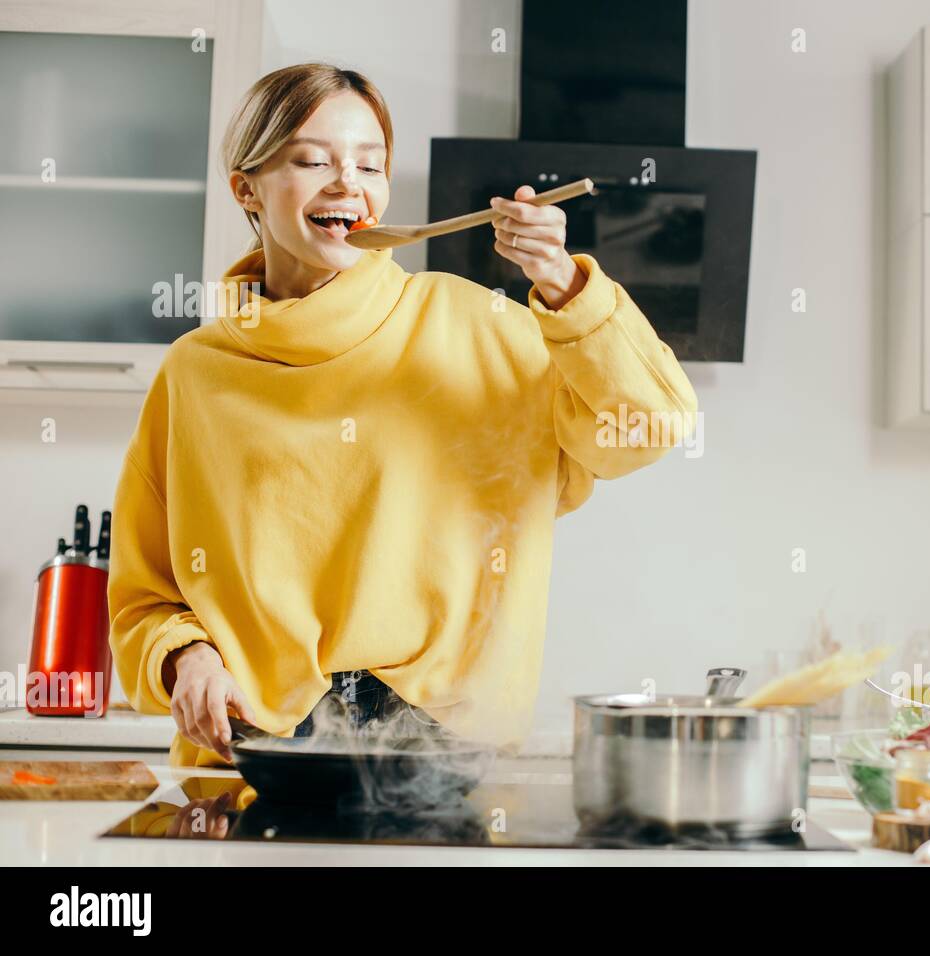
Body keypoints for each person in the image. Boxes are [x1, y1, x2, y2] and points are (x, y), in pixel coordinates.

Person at [107, 63, 697, 767]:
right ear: (246, 188)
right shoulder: (194, 373)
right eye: (312, 160)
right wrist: (188, 661)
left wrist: (566, 283)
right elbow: (144, 601)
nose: (347, 184)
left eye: (370, 164)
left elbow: (652, 423)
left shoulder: (475, 325)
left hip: (447, 764)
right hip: (246, 760)